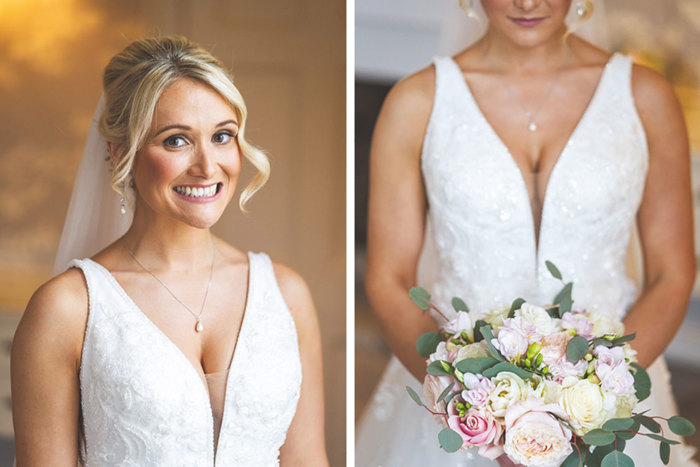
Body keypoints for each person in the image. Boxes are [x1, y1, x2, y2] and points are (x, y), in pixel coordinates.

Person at [357, 0, 696, 465]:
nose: (528, 2)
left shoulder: (646, 96)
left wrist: (596, 400)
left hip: (615, 400)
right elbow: (387, 278)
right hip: (454, 405)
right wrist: (469, 403)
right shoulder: (415, 102)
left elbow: (673, 274)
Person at [11, 36, 329, 466]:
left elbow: (308, 460)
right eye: (177, 140)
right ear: (121, 152)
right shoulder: (67, 309)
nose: (207, 166)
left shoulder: (287, 294)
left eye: (222, 136)